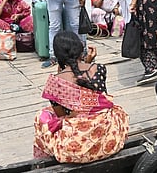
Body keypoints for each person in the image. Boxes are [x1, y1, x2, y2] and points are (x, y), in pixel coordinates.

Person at [33, 31, 129, 163]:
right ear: (80, 49)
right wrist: (88, 61)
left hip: (77, 148)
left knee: (42, 115)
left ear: (58, 55)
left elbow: (61, 116)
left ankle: (44, 160)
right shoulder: (99, 69)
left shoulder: (54, 83)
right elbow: (94, 93)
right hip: (108, 139)